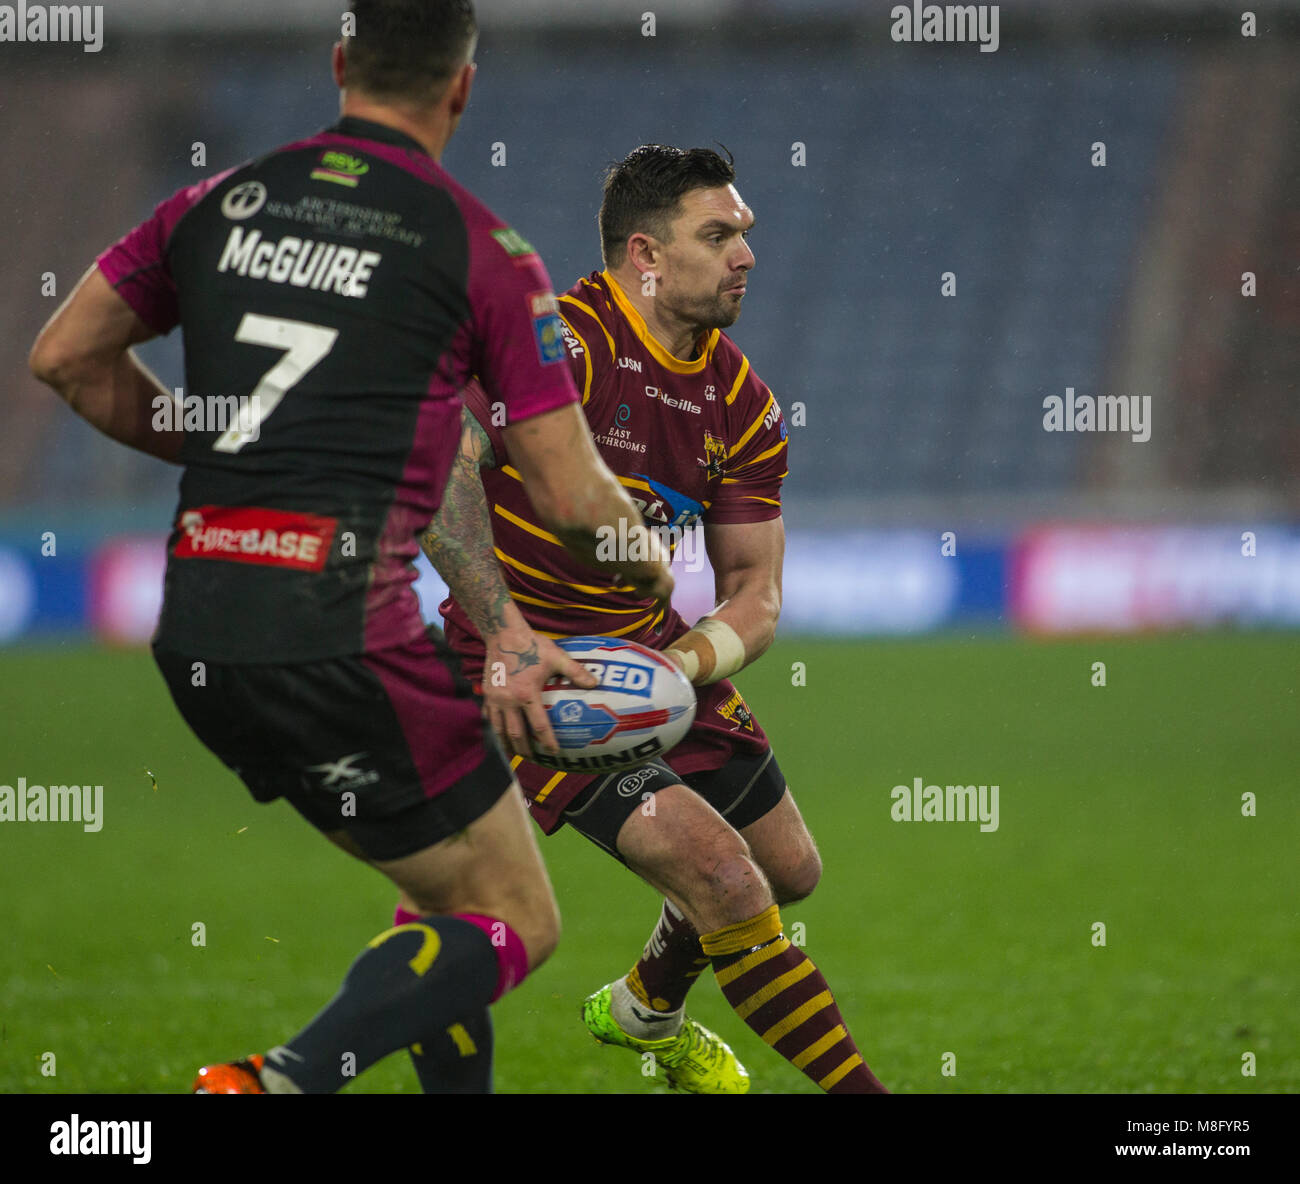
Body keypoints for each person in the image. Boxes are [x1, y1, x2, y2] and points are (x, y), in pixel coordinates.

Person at [28, 0, 670, 1095]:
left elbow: (68, 357)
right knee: (514, 914)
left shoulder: (213, 204)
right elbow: (568, 491)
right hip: (340, 631)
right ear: (462, 88)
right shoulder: (484, 249)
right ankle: (279, 1079)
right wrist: (641, 557)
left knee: (441, 899)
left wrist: (208, 431)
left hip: (199, 630)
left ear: (339, 65)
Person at [423, 144, 888, 1094]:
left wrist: (685, 663)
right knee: (723, 876)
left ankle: (645, 1007)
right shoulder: (559, 344)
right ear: (645, 254)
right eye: (717, 236)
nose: (745, 254)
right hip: (531, 673)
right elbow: (436, 474)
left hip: (644, 660)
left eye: (743, 234)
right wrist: (505, 638)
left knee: (790, 869)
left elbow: (756, 591)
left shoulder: (743, 404)